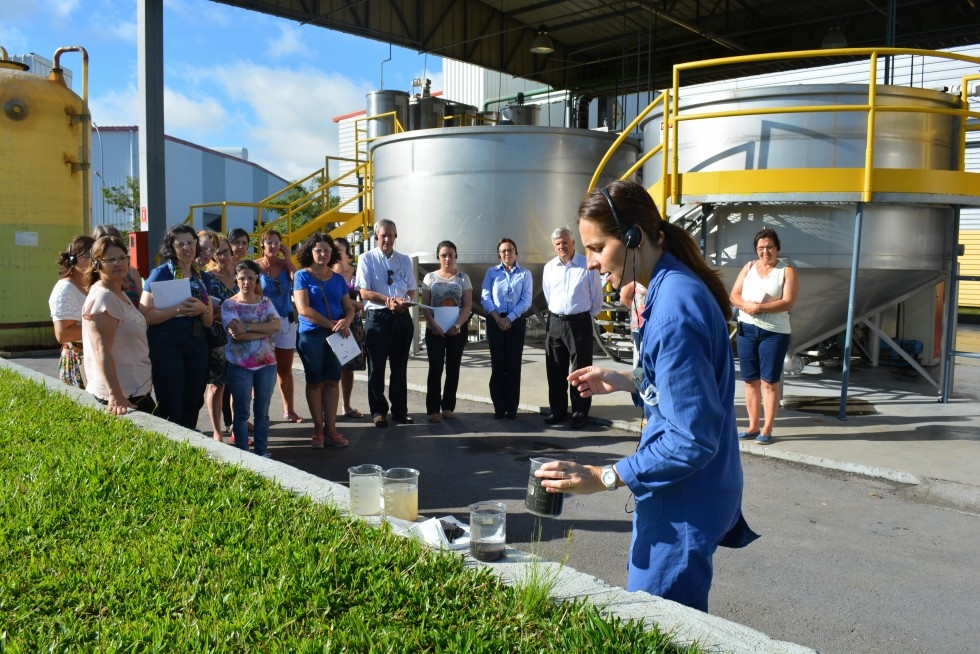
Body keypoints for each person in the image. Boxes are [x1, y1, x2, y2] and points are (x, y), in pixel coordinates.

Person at [535, 180, 757, 612]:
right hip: (688, 489)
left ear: (633, 237)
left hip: (684, 500)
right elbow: (682, 383)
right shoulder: (667, 287)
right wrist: (625, 379)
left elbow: (691, 438)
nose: (592, 264)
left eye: (598, 248)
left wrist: (603, 477)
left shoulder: (674, 305)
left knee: (657, 624)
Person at [140, 224, 214, 429]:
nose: (187, 248)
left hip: (197, 345)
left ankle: (190, 443)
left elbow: (208, 321)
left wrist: (203, 309)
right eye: (180, 244)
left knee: (192, 401)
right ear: (171, 248)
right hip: (167, 346)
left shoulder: (202, 277)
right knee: (171, 402)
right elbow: (145, 315)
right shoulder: (160, 274)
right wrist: (178, 310)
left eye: (190, 242)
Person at [729, 227, 799, 445]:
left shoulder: (786, 271)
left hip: (774, 333)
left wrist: (760, 308)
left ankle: (767, 429)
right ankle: (752, 426)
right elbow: (734, 295)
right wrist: (747, 305)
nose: (765, 252)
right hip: (747, 330)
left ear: (777, 248)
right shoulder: (749, 267)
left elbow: (788, 302)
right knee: (750, 381)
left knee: (769, 382)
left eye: (769, 247)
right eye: (761, 248)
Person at [81, 235, 156, 415]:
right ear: (97, 263)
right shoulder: (103, 297)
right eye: (111, 259)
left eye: (123, 258)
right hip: (122, 396)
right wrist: (115, 395)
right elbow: (102, 351)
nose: (119, 263)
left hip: (135, 388)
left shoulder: (117, 292)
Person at [294, 234, 355, 448]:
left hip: (337, 334)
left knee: (332, 380)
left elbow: (348, 307)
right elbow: (304, 309)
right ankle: (318, 430)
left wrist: (346, 321)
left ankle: (331, 429)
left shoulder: (338, 279)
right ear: (310, 251)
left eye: (327, 251)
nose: (323, 254)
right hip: (312, 335)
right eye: (319, 250)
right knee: (315, 381)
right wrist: (332, 325)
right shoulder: (302, 276)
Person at [355, 219, 417, 428]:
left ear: (395, 237)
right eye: (383, 235)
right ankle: (378, 411)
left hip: (401, 317)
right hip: (378, 318)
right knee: (377, 368)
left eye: (391, 235)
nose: (387, 239)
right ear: (376, 237)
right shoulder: (366, 259)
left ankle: (400, 411)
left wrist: (403, 302)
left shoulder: (404, 260)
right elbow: (363, 291)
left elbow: (411, 290)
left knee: (399, 367)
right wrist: (387, 301)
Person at [542, 226, 603, 429]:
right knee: (555, 369)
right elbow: (548, 294)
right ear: (554, 246)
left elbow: (596, 297)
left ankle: (579, 412)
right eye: (558, 244)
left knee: (580, 371)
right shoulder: (549, 267)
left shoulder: (587, 265)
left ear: (574, 243)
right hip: (555, 322)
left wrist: (586, 316)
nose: (562, 246)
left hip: (579, 323)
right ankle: (558, 411)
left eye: (565, 242)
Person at [222, 259, 280, 458]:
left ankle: (262, 452)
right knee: (241, 413)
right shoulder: (229, 305)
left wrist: (247, 327)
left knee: (262, 412)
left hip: (267, 365)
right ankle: (243, 455)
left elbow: (276, 326)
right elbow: (236, 335)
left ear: (257, 280)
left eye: (251, 278)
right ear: (236, 280)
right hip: (239, 365)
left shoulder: (266, 303)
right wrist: (262, 331)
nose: (246, 282)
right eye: (242, 278)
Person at [420, 240, 473, 423]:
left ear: (455, 256)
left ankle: (448, 406)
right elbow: (425, 306)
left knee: (453, 368)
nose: (447, 258)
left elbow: (467, 306)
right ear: (438, 257)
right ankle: (432, 409)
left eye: (451, 254)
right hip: (434, 330)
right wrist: (433, 324)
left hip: (456, 330)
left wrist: (457, 326)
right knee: (435, 368)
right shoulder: (430, 278)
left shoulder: (463, 278)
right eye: (444, 255)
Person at [480, 237, 533, 419]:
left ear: (515, 252)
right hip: (495, 321)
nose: (507, 253)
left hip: (515, 322)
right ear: (499, 254)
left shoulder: (525, 274)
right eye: (503, 251)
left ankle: (512, 407)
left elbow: (526, 300)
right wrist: (497, 318)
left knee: (513, 365)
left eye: (510, 250)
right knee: (498, 365)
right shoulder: (491, 273)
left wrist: (509, 318)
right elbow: (485, 297)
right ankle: (499, 406)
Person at [255, 229, 304, 424]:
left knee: (285, 369)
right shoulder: (255, 267)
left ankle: (289, 410)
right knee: (261, 368)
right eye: (270, 242)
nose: (273, 246)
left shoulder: (285, 266)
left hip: (285, 320)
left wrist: (289, 258)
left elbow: (298, 279)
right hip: (263, 323)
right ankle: (261, 413)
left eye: (277, 243)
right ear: (262, 245)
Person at [203, 236, 237, 442]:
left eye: (226, 251)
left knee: (238, 384)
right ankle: (217, 431)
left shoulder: (242, 273)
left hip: (242, 337)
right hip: (219, 338)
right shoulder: (208, 277)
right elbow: (207, 308)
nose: (222, 256)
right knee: (217, 386)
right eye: (218, 252)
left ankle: (235, 426)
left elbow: (257, 297)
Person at [49, 236, 94, 388]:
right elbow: (62, 334)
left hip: (93, 356)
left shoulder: (90, 285)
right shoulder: (65, 289)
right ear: (73, 259)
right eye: (85, 256)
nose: (91, 260)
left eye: (94, 256)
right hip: (78, 360)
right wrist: (102, 328)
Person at [332, 237, 365, 419]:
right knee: (332, 366)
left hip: (353, 323)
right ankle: (329, 407)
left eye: (339, 250)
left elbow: (363, 300)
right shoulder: (327, 273)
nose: (336, 253)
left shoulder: (356, 271)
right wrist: (351, 302)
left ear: (347, 252)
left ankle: (346, 405)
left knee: (349, 366)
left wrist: (354, 303)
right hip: (334, 322)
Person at [92, 224, 143, 305]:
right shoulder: (93, 283)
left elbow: (142, 306)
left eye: (121, 257)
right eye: (110, 259)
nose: (117, 263)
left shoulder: (133, 273)